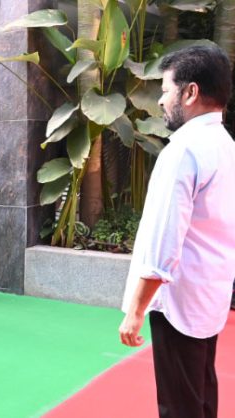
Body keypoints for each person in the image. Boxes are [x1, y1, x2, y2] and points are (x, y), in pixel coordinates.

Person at [119, 45, 235, 418]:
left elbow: (164, 238)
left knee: (180, 403)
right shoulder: (225, 144)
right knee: (200, 391)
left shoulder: (184, 150)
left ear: (191, 92)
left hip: (180, 300)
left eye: (166, 90)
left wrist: (136, 309)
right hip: (210, 291)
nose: (162, 100)